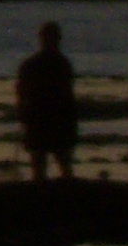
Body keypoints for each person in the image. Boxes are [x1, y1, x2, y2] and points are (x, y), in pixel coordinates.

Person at [14, 20, 80, 182]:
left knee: (41, 168)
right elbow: (68, 94)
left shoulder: (31, 64)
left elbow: (21, 94)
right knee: (62, 166)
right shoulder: (62, 63)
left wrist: (23, 115)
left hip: (41, 119)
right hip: (54, 120)